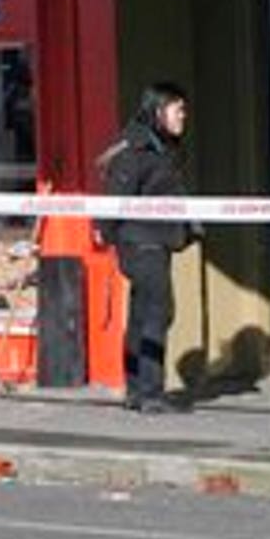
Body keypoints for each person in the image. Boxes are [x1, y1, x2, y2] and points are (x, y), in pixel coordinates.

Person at [100, 82, 200, 415]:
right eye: (177, 109)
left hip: (157, 240)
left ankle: (135, 389)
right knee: (159, 312)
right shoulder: (136, 150)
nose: (183, 116)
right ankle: (151, 393)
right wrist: (108, 234)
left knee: (144, 312)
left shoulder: (163, 147)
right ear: (158, 110)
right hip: (141, 242)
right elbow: (117, 197)